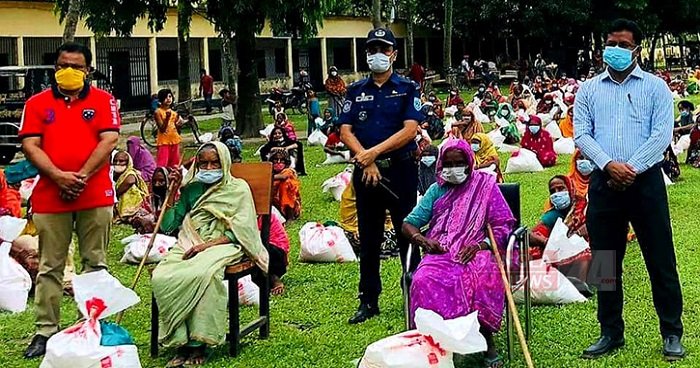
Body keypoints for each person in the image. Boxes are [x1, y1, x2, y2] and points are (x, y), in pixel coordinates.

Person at [574, 19, 685, 361]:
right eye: (611, 43)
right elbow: (582, 134)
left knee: (660, 258)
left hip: (646, 183)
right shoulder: (589, 90)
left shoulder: (655, 88)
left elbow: (661, 135)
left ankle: (671, 332)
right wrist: (609, 165)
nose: (616, 50)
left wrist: (629, 169)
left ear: (637, 48)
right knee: (604, 263)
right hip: (603, 183)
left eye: (623, 44)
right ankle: (610, 331)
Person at [20, 42, 120, 358]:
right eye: (63, 65)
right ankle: (45, 332)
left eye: (76, 66)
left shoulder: (105, 101)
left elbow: (109, 139)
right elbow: (30, 145)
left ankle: (91, 325)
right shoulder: (36, 104)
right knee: (50, 266)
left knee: (95, 264)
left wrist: (81, 177)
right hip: (51, 196)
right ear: (55, 68)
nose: (69, 71)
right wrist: (59, 176)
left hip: (95, 194)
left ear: (88, 70)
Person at [151, 142, 269, 367]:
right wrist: (173, 191)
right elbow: (168, 225)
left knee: (203, 274)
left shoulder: (238, 188)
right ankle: (179, 341)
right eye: (203, 162)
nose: (208, 167)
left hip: (224, 245)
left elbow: (242, 232)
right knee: (161, 276)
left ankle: (198, 345)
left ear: (224, 162)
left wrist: (206, 247)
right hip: (188, 243)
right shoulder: (192, 188)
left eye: (214, 162)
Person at [402, 139, 515, 368]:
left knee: (480, 277)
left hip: (477, 248)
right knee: (423, 280)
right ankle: (434, 342)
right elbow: (409, 223)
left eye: (460, 163)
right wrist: (422, 240)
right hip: (441, 249)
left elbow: (503, 225)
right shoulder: (436, 190)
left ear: (469, 162)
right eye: (449, 163)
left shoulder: (486, 186)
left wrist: (480, 246)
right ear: (441, 164)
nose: (454, 168)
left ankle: (486, 341)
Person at [338, 27, 424, 324]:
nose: (377, 55)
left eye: (383, 49)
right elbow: (345, 130)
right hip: (366, 174)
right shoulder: (355, 90)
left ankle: (415, 294)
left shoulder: (407, 87)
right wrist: (367, 160)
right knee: (370, 235)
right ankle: (369, 299)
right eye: (372, 49)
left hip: (400, 170)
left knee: (407, 232)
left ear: (393, 54)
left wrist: (372, 153)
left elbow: (410, 130)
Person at [529, 175, 591, 286]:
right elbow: (531, 234)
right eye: (553, 191)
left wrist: (578, 234)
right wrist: (545, 241)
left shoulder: (584, 207)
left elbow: (595, 226)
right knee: (532, 255)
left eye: (561, 189)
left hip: (585, 248)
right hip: (560, 253)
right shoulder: (552, 215)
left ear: (570, 189)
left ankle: (578, 282)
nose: (557, 194)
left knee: (586, 256)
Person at [112, 151, 149, 223]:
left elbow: (130, 181)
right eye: (115, 161)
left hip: (136, 206)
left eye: (121, 161)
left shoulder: (130, 173)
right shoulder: (116, 174)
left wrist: (115, 196)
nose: (117, 163)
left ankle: (128, 214)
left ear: (128, 162)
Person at [154, 88, 183, 168]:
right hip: (164, 141)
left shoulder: (174, 113)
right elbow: (162, 129)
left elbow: (178, 130)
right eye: (166, 97)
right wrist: (167, 118)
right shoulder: (158, 112)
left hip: (174, 140)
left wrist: (179, 125)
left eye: (170, 96)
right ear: (161, 99)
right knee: (162, 164)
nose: (168, 99)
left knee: (174, 164)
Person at [270, 150, 302, 220]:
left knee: (286, 183)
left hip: (291, 206)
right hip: (275, 204)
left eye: (282, 160)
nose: (278, 162)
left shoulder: (289, 171)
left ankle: (290, 217)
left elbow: (283, 177)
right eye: (275, 160)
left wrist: (267, 177)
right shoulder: (269, 172)